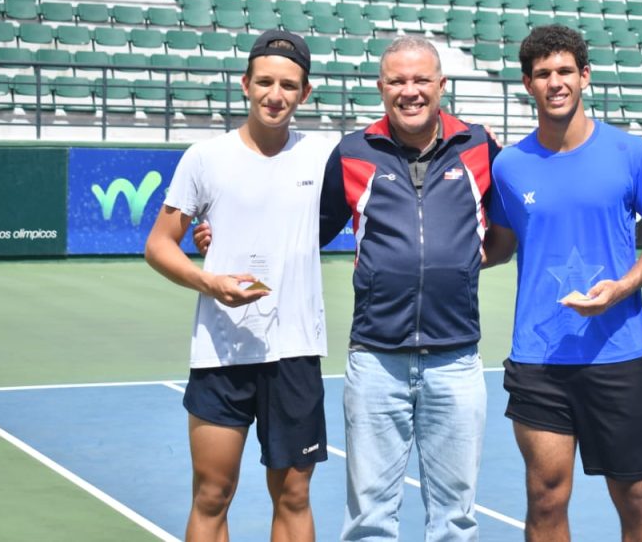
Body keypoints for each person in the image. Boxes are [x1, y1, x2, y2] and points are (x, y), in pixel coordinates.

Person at [195, 35, 501, 541]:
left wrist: (462, 264)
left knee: (455, 518)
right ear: (381, 88)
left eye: (421, 80)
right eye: (397, 81)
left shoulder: (479, 146)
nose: (410, 91)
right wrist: (221, 238)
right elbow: (297, 230)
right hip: (376, 361)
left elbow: (504, 232)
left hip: (457, 360)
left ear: (441, 86)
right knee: (370, 519)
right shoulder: (352, 153)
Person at [483, 24, 642, 542]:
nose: (555, 82)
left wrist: (622, 287)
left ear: (585, 76)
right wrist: (430, 256)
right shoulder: (509, 166)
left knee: (635, 496)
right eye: (543, 73)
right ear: (527, 84)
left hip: (618, 355)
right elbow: (500, 247)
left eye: (565, 71)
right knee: (546, 497)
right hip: (539, 359)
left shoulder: (629, 152)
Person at [145, 29, 333, 542]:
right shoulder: (205, 158)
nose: (277, 95)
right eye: (266, 82)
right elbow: (159, 245)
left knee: (294, 497)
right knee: (212, 495)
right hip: (220, 353)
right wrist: (211, 282)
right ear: (246, 85)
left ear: (305, 94)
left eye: (289, 86)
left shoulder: (324, 156)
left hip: (295, 352)